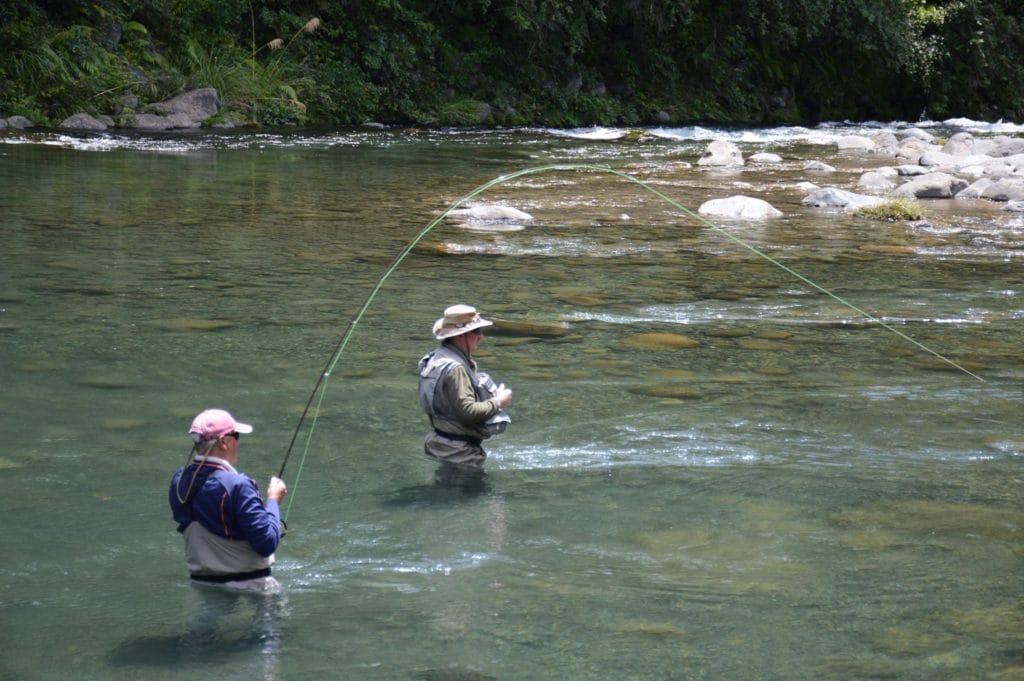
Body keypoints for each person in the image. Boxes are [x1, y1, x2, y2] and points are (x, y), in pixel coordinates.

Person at [169, 408, 287, 593]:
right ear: (224, 442)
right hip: (252, 585)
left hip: (202, 585)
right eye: (237, 436)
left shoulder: (179, 480)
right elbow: (266, 543)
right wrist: (273, 501)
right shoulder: (238, 486)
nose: (239, 442)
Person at [418, 304, 512, 467]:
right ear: (460, 336)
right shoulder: (456, 368)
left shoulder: (437, 358)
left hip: (440, 444)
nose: (481, 336)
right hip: (459, 453)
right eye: (476, 331)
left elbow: (448, 403)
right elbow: (467, 412)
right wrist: (498, 402)